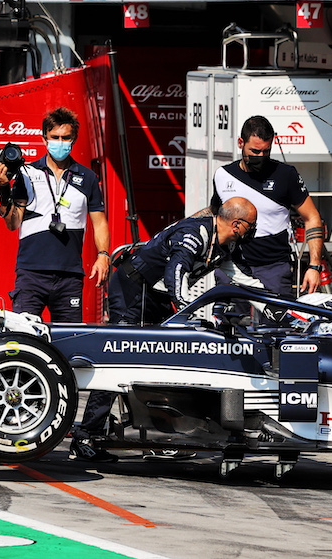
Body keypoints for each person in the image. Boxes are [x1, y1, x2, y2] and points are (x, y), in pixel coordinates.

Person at [70, 198, 257, 463]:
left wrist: (281, 308)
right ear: (237, 224)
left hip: (156, 297)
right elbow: (176, 273)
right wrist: (186, 315)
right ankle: (85, 436)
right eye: (252, 224)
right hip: (131, 290)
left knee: (171, 359)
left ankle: (160, 435)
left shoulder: (227, 244)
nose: (254, 229)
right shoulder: (195, 234)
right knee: (116, 362)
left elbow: (247, 283)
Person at [0, 107, 110, 322]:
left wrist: (103, 255)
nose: (60, 142)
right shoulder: (26, 173)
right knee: (23, 336)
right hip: (31, 273)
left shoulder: (88, 177)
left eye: (66, 137)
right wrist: (4, 188)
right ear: (44, 138)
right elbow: (12, 223)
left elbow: (99, 221)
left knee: (66, 341)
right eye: (55, 137)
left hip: (70, 275)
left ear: (74, 139)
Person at [210, 116, 324, 297]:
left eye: (266, 151)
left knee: (277, 325)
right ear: (241, 143)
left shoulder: (286, 175)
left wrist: (314, 266)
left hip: (273, 270)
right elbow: (214, 216)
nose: (260, 157)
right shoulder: (223, 175)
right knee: (227, 324)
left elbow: (312, 217)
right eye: (255, 151)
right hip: (230, 268)